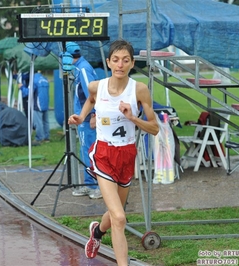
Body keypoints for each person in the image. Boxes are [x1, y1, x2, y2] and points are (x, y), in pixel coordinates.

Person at [68, 39, 159, 266]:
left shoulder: (139, 90)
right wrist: (81, 116)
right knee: (119, 217)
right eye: (116, 60)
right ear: (108, 62)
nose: (120, 64)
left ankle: (97, 232)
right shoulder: (97, 87)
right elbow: (90, 100)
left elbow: (155, 128)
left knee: (115, 212)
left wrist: (133, 118)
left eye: (125, 60)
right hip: (104, 154)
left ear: (131, 63)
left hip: (127, 155)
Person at [66, 42, 101, 199]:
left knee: (91, 152)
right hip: (84, 118)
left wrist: (93, 115)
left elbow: (91, 93)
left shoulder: (83, 69)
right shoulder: (80, 67)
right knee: (85, 151)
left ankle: (98, 186)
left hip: (87, 119)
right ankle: (89, 184)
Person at [32, 71, 50, 144]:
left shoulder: (34, 80)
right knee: (46, 122)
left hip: (38, 104)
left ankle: (39, 138)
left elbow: (28, 92)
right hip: (45, 103)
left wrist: (21, 87)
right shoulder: (45, 79)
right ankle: (46, 138)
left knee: (38, 122)